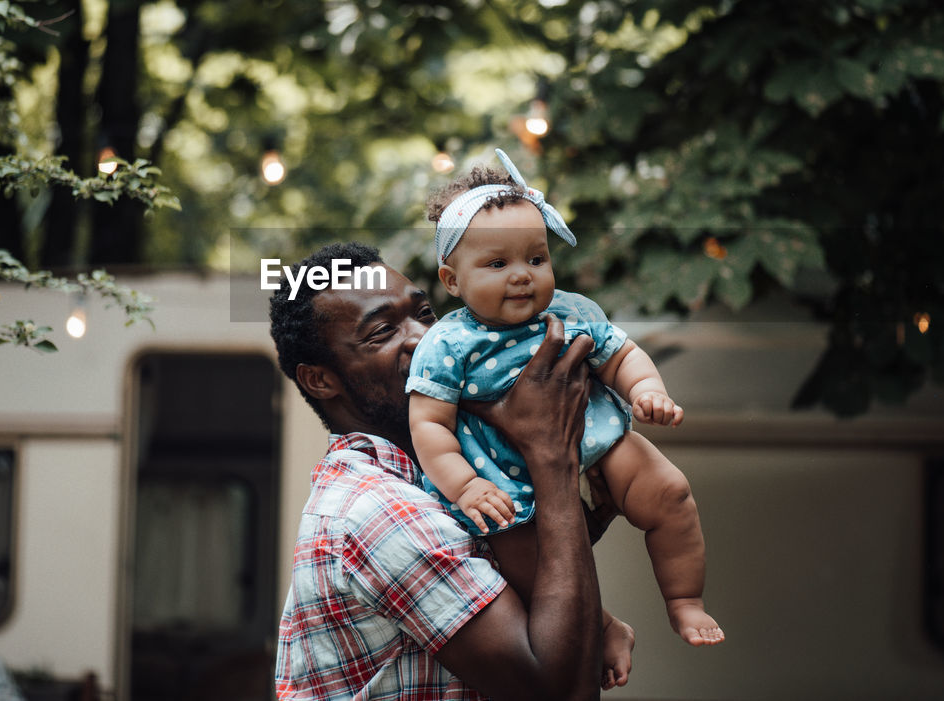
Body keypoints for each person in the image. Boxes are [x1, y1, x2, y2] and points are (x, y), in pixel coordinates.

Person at [269, 241, 634, 701]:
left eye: (423, 313)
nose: (422, 337)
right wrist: (551, 456)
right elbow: (560, 690)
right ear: (320, 379)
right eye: (382, 332)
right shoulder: (378, 509)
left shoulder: (446, 476)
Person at [406, 149, 724, 647]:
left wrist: (646, 391)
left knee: (670, 492)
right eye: (497, 263)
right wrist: (465, 486)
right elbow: (429, 425)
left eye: (537, 258)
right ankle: (602, 626)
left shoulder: (571, 311)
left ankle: (684, 600)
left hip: (596, 439)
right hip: (501, 474)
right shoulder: (447, 344)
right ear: (452, 280)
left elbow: (621, 355)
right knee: (525, 567)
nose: (521, 274)